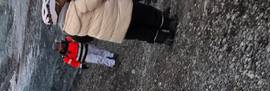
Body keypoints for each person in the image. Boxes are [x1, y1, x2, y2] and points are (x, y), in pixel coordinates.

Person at [42, 0, 177, 45]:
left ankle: (165, 39)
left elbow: (87, 39)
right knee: (146, 14)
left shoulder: (68, 31)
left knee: (140, 33)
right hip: (119, 12)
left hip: (113, 32)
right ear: (58, 8)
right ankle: (168, 24)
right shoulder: (76, 6)